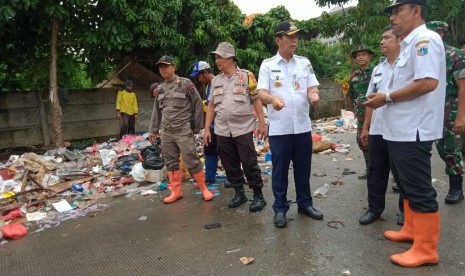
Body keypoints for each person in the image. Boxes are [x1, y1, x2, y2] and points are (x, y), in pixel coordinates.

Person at [364, 0, 446, 267]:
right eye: (391, 13)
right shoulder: (408, 44)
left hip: (415, 129)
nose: (393, 18)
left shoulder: (426, 40)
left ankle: (426, 248)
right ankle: (411, 230)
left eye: (397, 11)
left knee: (419, 188)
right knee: (408, 185)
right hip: (399, 130)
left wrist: (386, 97)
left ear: (416, 11)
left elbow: (427, 83)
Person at [257, 21, 323, 228]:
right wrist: (273, 100)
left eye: (296, 37)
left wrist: (313, 94)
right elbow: (261, 93)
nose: (294, 40)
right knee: (279, 171)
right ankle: (280, 208)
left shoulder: (304, 63)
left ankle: (305, 204)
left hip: (302, 127)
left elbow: (312, 87)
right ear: (278, 40)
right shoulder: (268, 65)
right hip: (280, 129)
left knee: (303, 169)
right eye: (290, 37)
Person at [203, 42, 267, 212]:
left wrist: (262, 124)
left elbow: (256, 100)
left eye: (220, 57)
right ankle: (240, 193)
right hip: (222, 130)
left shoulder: (247, 76)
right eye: (216, 57)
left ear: (230, 58)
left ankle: (258, 195)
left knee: (249, 162)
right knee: (229, 163)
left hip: (243, 128)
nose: (217, 61)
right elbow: (211, 106)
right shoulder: (216, 80)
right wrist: (207, 128)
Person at [149, 55, 213, 203]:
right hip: (166, 132)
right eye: (161, 67)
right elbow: (156, 111)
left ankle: (203, 188)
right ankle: (176, 192)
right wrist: (153, 129)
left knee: (191, 158)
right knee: (170, 161)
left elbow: (197, 102)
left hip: (183, 130)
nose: (163, 69)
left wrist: (197, 125)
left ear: (174, 67)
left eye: (166, 66)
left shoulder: (185, 83)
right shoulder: (160, 89)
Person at [359, 25, 404, 225]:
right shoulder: (378, 69)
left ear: (399, 40)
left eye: (386, 38)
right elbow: (371, 101)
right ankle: (374, 209)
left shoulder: (407, 65)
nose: (381, 42)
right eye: (381, 38)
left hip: (400, 130)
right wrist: (366, 128)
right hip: (378, 130)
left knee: (402, 174)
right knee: (376, 172)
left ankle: (406, 211)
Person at [426, 21, 465, 204]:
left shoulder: (455, 55)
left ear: (441, 34)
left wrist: (461, 116)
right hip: (428, 112)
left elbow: (463, 87)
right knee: (425, 149)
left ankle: (456, 188)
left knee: (451, 150)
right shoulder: (425, 56)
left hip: (450, 111)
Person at [190, 61, 220, 185]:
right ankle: (209, 177)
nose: (198, 78)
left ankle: (234, 178)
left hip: (222, 125)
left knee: (227, 152)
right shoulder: (208, 86)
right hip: (212, 126)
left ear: (206, 72)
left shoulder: (218, 83)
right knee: (209, 150)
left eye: (199, 75)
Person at [349, 46, 374, 179]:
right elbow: (352, 95)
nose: (361, 57)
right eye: (358, 55)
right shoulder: (354, 76)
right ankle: (369, 168)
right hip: (361, 114)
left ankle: (393, 174)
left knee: (381, 142)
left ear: (370, 56)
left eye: (364, 54)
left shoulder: (376, 72)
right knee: (362, 141)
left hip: (377, 113)